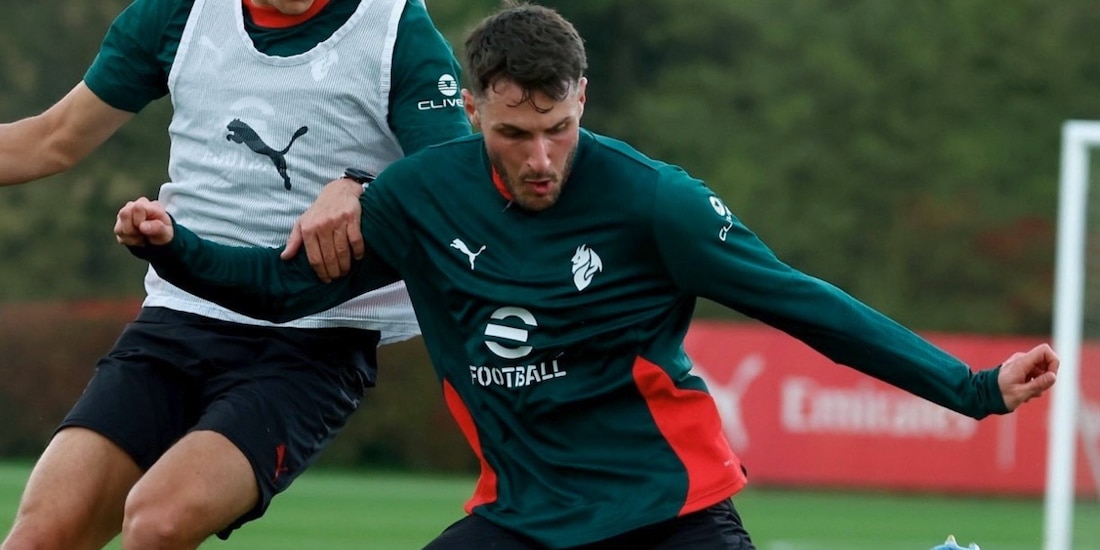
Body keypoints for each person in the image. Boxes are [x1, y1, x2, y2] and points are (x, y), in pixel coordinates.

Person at [114, 2, 1060, 549]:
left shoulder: (657, 203)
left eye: (558, 128)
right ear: (473, 106)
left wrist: (972, 390)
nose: (540, 157)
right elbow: (281, 294)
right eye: (514, 132)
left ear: (584, 101)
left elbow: (804, 304)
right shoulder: (412, 197)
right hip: (521, 519)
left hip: (665, 513)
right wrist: (172, 249)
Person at [1, 0, 469, 548]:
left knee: (157, 522)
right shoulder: (175, 13)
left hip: (313, 342)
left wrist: (361, 189)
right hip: (177, 320)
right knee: (38, 537)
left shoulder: (395, 27)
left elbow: (453, 186)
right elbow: (51, 138)